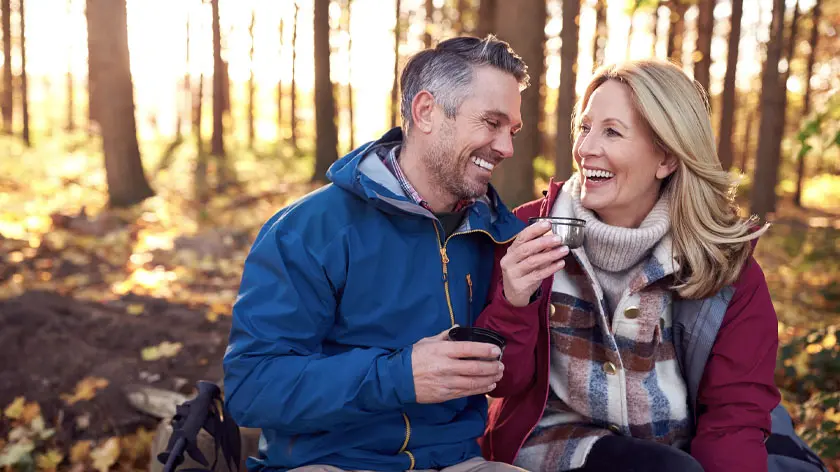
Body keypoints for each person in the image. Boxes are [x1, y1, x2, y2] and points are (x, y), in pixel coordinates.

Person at [222, 36, 532, 472]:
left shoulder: (494, 233)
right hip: (331, 463)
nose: (506, 148)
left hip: (456, 462)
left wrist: (517, 302)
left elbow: (510, 379)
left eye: (512, 130)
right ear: (426, 112)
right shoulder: (311, 229)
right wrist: (399, 377)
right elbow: (251, 389)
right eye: (491, 122)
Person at [475, 59, 781, 472]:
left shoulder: (724, 265)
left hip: (677, 441)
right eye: (585, 128)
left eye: (612, 132)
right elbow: (503, 383)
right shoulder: (528, 234)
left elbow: (735, 413)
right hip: (557, 441)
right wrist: (513, 301)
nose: (585, 149)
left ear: (667, 159)